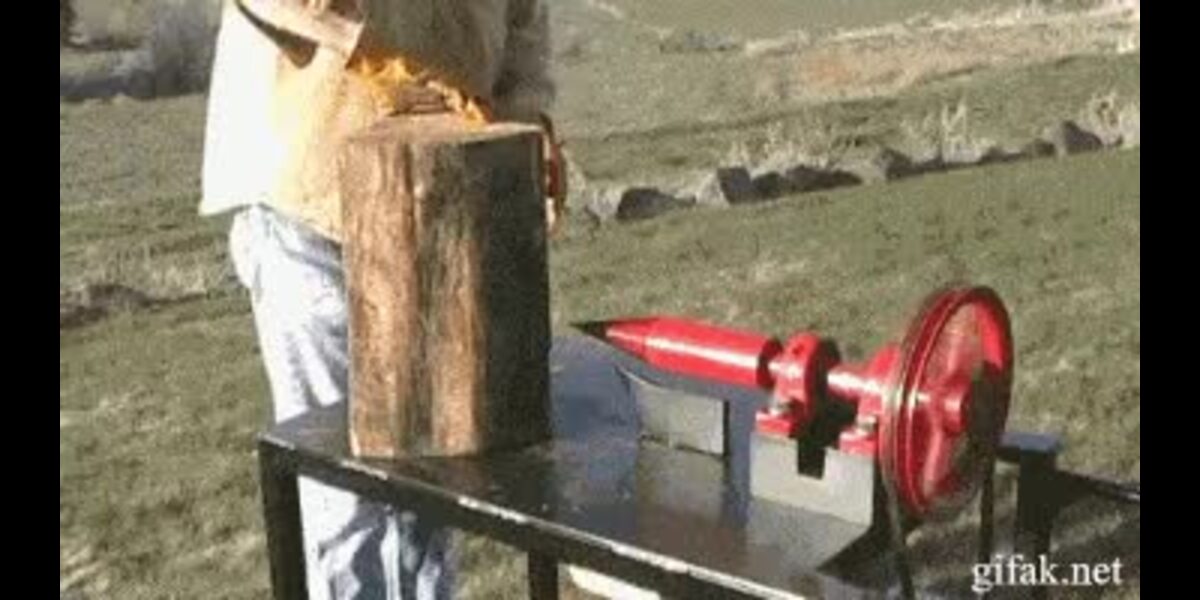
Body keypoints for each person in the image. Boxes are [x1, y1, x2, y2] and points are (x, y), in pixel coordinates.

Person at [200, 0, 560, 598]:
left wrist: (525, 119)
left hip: (447, 198)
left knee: (435, 488)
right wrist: (404, 50)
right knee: (349, 508)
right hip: (313, 210)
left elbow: (524, 17)